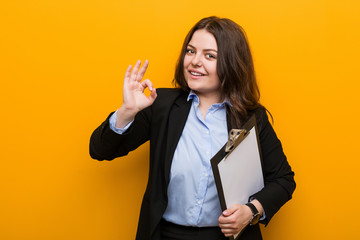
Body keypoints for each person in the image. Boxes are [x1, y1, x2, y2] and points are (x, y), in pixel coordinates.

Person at [90, 16, 295, 240]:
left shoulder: (251, 117)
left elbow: (283, 180)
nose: (195, 61)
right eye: (190, 51)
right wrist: (127, 112)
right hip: (165, 234)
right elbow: (100, 150)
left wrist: (252, 210)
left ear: (232, 62)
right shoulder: (161, 104)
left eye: (210, 55)